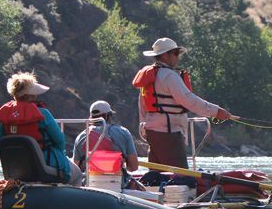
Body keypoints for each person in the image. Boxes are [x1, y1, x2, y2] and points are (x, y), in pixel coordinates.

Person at [132, 37, 232, 169]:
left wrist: (144, 125)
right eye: (175, 53)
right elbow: (189, 100)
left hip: (152, 132)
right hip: (168, 133)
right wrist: (216, 111)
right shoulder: (169, 76)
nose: (177, 57)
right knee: (182, 175)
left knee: (156, 174)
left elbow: (142, 105)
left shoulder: (151, 75)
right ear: (164, 55)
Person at [0, 71, 77, 184]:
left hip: (15, 168)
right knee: (78, 175)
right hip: (45, 163)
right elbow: (59, 140)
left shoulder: (6, 117)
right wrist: (61, 155)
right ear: (30, 96)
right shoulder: (43, 114)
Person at [71, 100, 139, 180]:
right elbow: (133, 167)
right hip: (117, 183)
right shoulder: (124, 132)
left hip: (90, 184)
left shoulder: (81, 137)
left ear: (91, 117)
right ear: (108, 116)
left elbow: (75, 169)